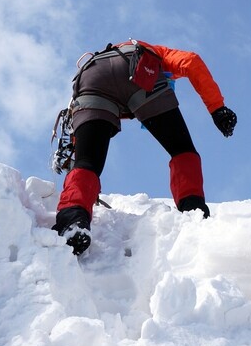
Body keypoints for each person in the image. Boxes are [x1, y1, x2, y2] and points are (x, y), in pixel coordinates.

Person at [52, 39, 237, 255]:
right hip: (137, 67)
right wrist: (218, 108)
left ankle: (72, 220)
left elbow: (87, 142)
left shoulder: (104, 55)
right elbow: (191, 61)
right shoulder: (157, 53)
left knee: (87, 161)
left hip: (91, 76)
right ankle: (193, 211)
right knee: (181, 149)